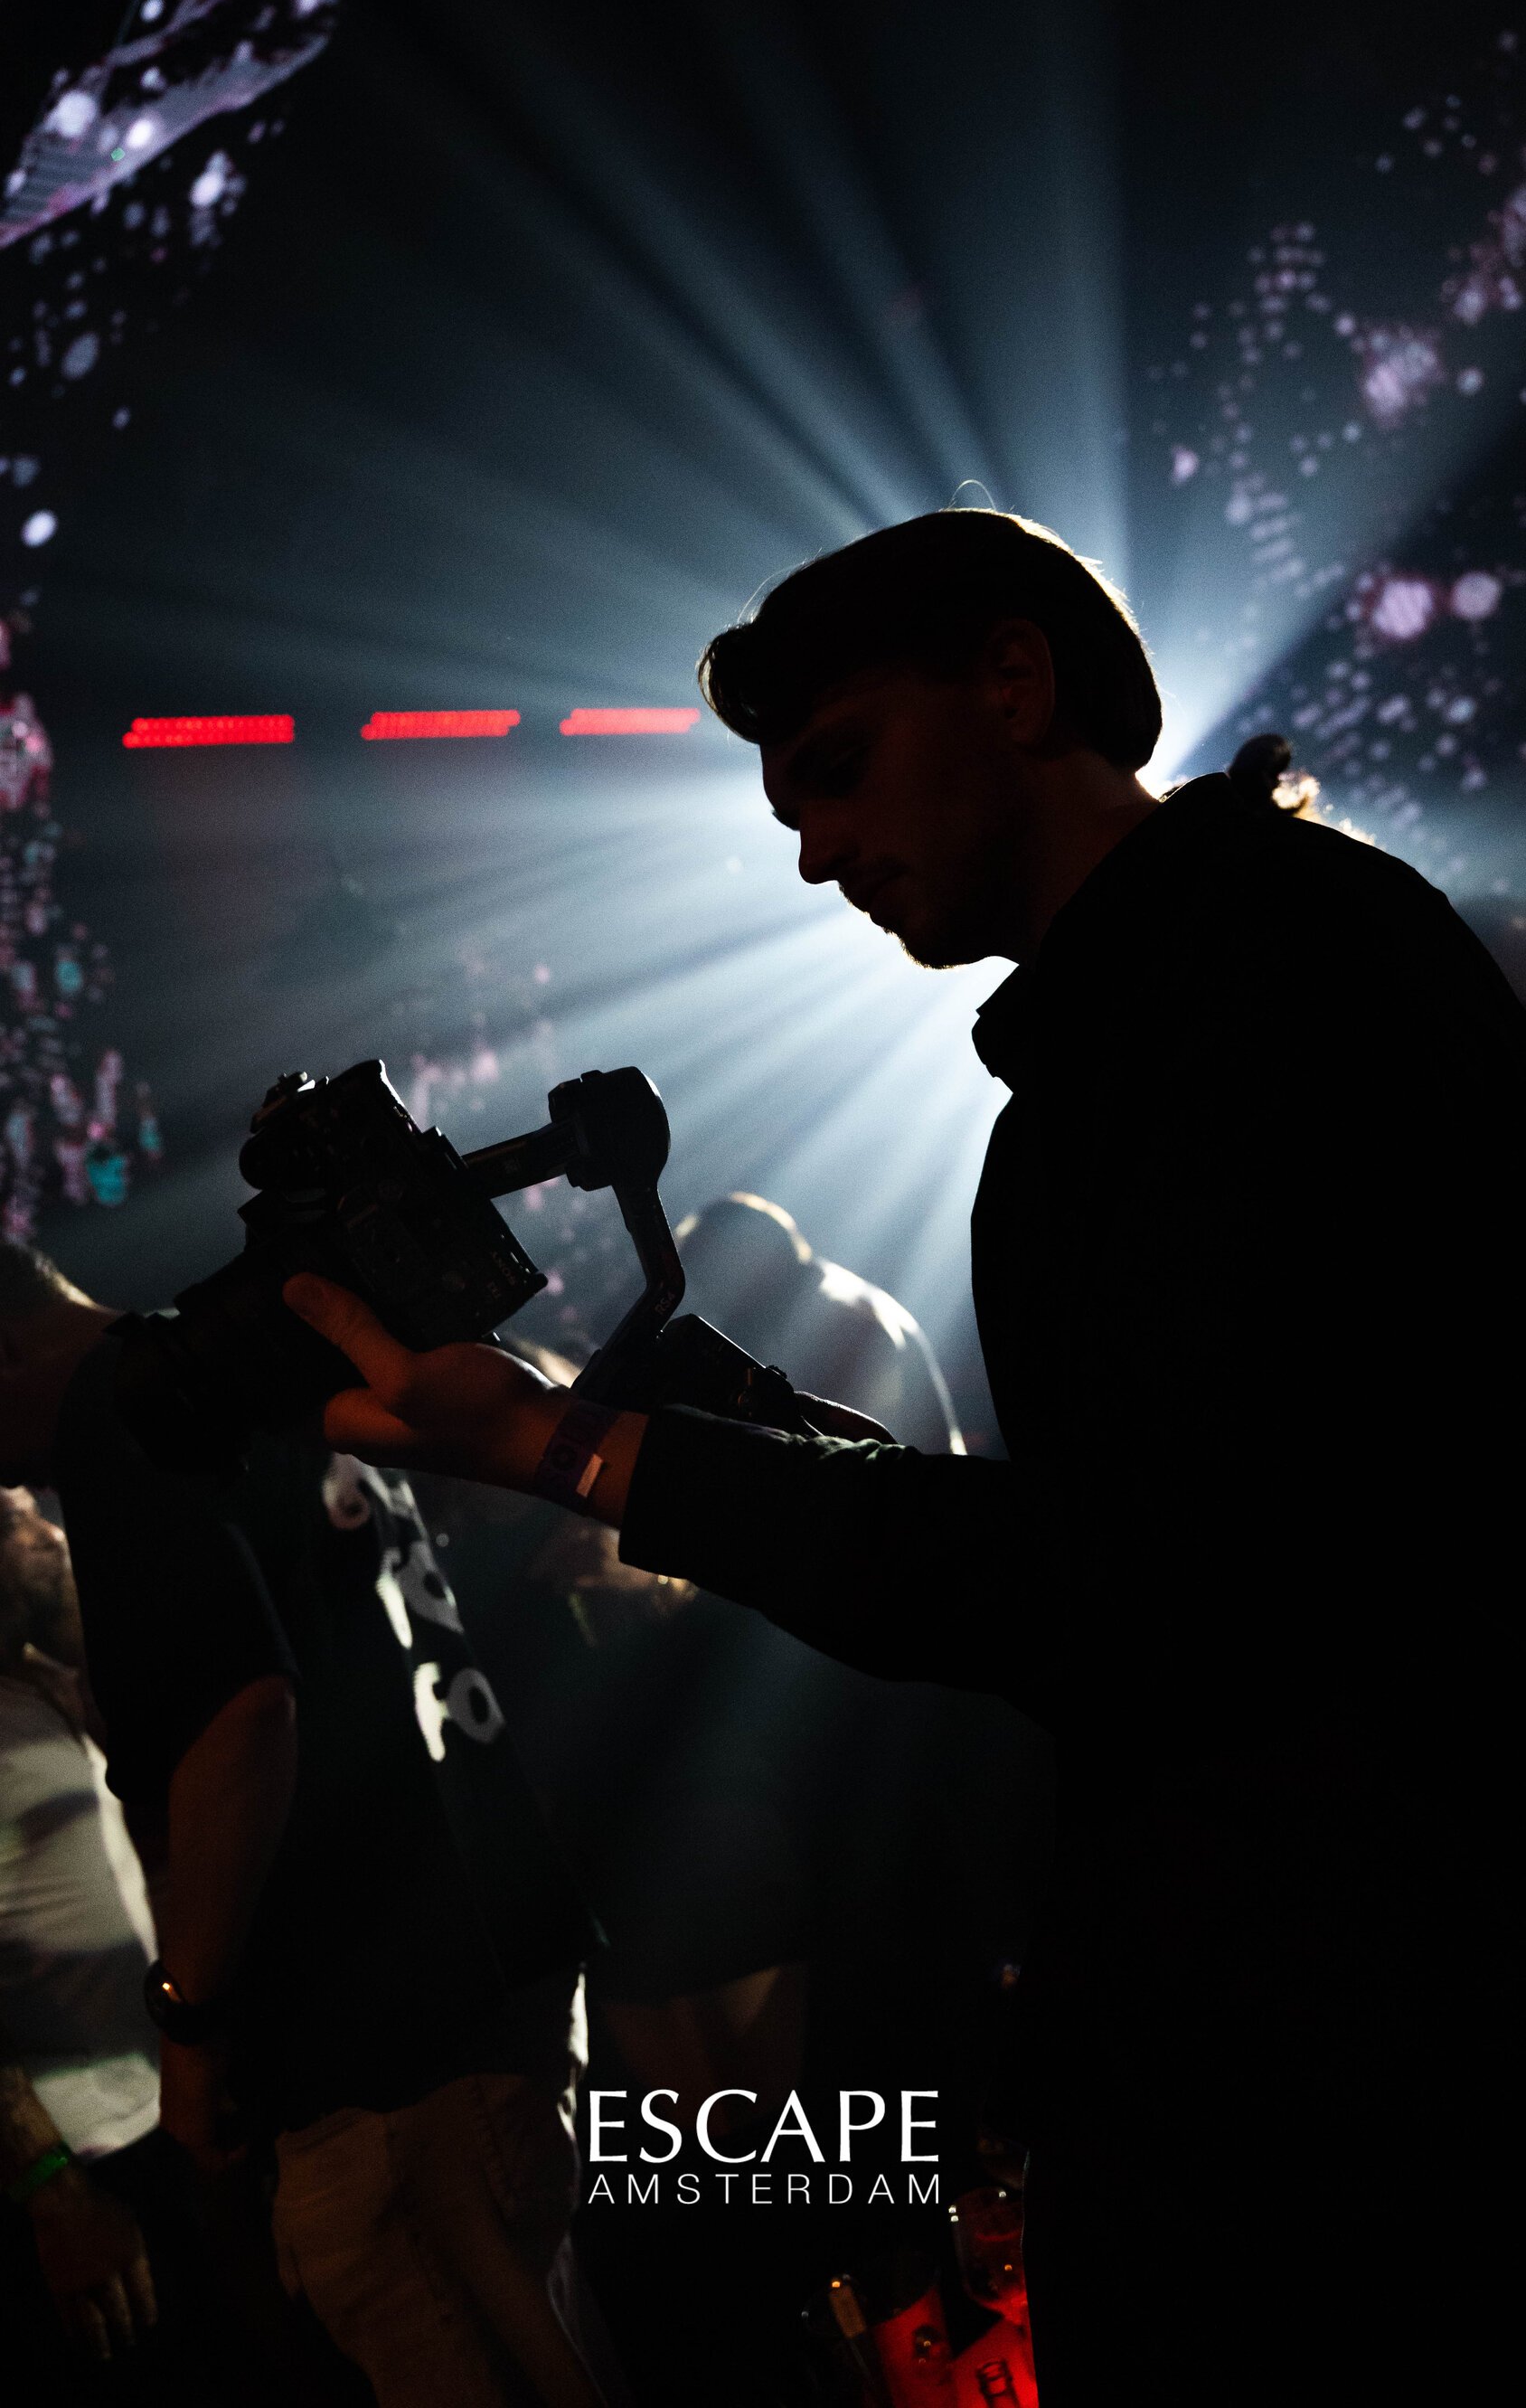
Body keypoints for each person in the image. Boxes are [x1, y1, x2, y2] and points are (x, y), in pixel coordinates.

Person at [278, 507, 1522, 2407]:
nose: (813, 848)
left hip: (1348, 2100)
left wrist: (569, 1448)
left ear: (1012, 683)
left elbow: (1142, 1583)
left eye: (840, 765)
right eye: (789, 803)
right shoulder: (1171, 1024)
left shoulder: (1273, 983)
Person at [0, 1242, 625, 2408]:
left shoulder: (127, 1408)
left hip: (381, 2032)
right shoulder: (228, 1366)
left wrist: (190, 2022)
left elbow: (242, 1723)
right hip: (481, 1967)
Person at [0, 1483, 240, 2401]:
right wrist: (50, 2191)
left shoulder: (31, 1689)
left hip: (147, 2135)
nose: (49, 1530)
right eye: (16, 1517)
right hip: (74, 2171)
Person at [674, 1191, 962, 1452]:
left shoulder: (833, 1322)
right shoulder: (837, 1296)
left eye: (705, 1271)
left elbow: (827, 1452)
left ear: (749, 1254)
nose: (705, 1294)